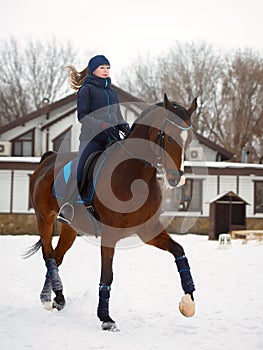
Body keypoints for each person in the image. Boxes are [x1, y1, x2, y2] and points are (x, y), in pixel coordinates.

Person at [57, 55, 130, 224]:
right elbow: (82, 116)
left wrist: (125, 128)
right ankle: (67, 206)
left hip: (111, 139)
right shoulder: (86, 90)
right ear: (93, 70)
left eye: (108, 67)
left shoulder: (113, 93)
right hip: (91, 140)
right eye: (102, 67)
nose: (106, 71)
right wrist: (103, 125)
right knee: (81, 167)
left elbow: (118, 116)